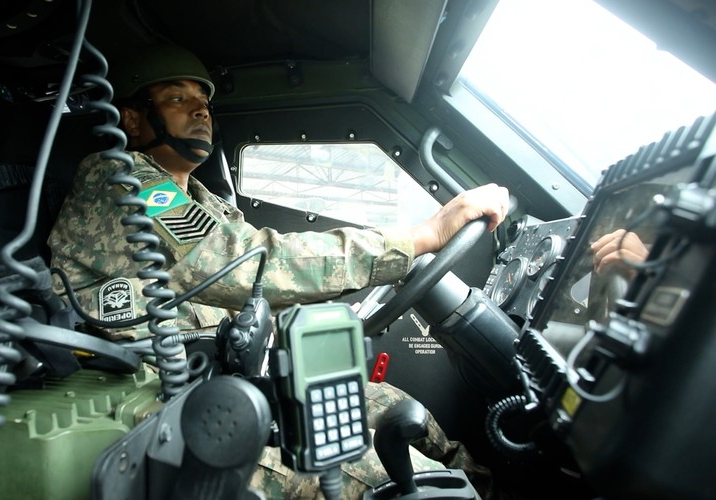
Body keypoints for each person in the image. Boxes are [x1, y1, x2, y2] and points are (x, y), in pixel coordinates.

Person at [48, 44, 511, 498]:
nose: (200, 111)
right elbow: (246, 266)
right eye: (176, 98)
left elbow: (265, 275)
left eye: (204, 101)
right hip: (154, 402)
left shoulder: (206, 204)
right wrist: (420, 236)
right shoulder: (119, 177)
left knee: (397, 407)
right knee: (382, 472)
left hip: (225, 378)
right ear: (130, 117)